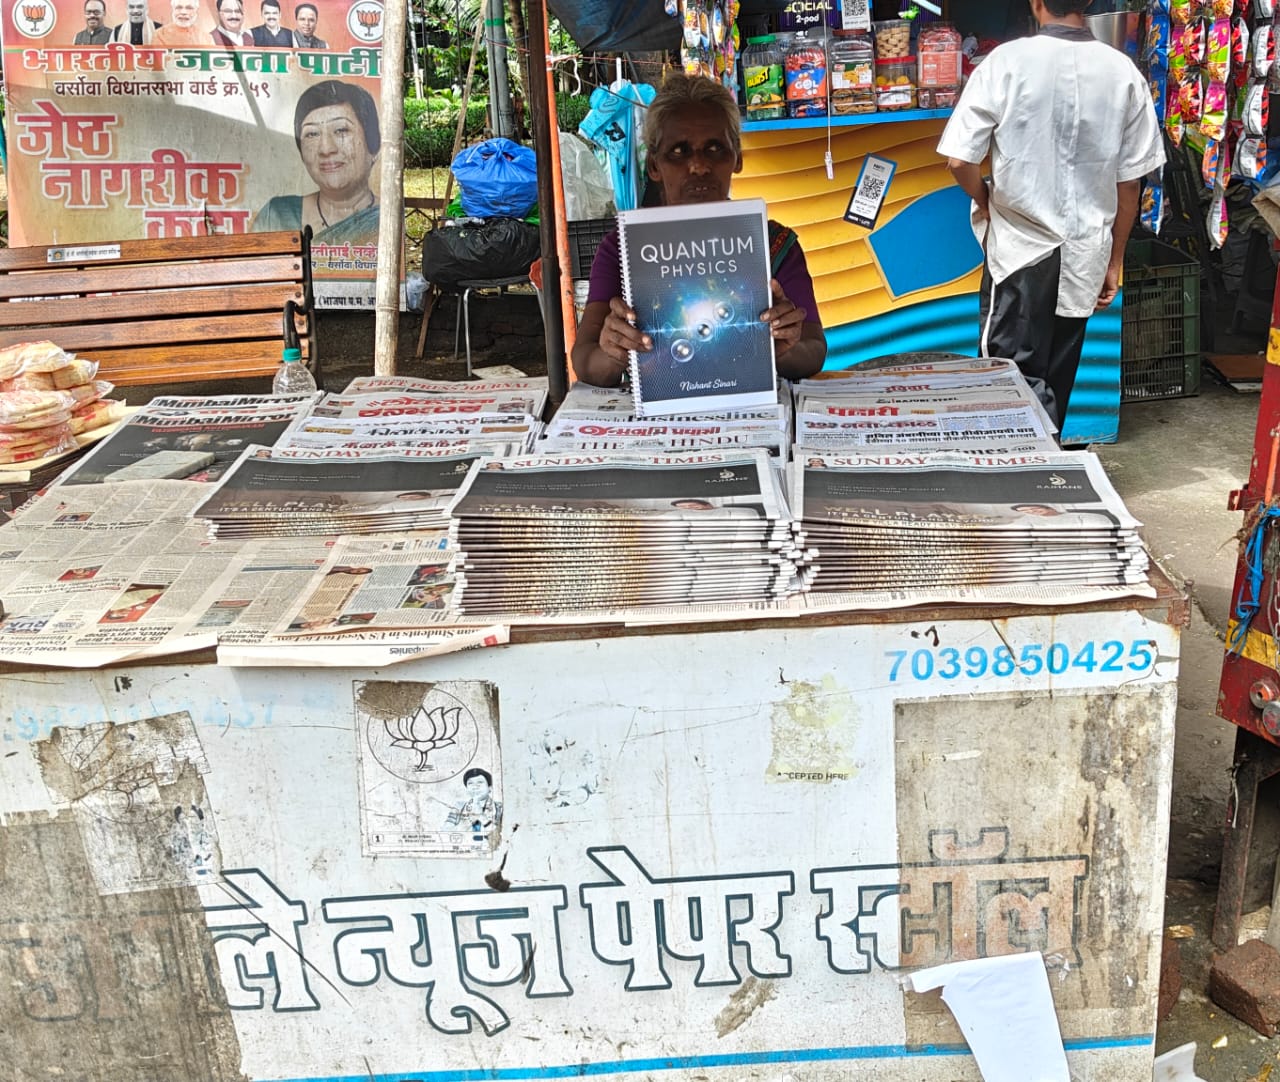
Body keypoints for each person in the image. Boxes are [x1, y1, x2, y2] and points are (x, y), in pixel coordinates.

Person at [936, 0, 1164, 430]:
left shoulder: (1005, 63)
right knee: (1056, 380)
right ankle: (1048, 458)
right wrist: (1114, 261)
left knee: (1008, 385)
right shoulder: (1123, 73)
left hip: (1020, 251)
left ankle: (1025, 463)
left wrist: (984, 199)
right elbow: (1130, 183)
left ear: (1036, 3)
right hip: (1085, 253)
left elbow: (959, 161)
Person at [572, 73, 826, 388]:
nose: (699, 166)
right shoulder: (622, 249)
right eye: (679, 151)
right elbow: (585, 360)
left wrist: (785, 347)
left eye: (715, 148)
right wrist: (612, 351)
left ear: (737, 158)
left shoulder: (774, 244)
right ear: (654, 166)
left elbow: (814, 350)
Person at [251, 80, 380, 245]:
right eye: (312, 134)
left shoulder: (387, 217)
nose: (326, 149)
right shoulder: (277, 216)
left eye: (341, 130)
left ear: (374, 146)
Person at [444, 768, 502, 837]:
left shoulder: (500, 807)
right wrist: (469, 820)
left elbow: (500, 836)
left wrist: (481, 816)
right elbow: (446, 831)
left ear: (490, 788)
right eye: (470, 783)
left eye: (480, 782)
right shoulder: (459, 806)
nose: (475, 787)